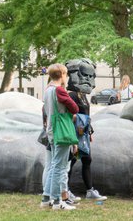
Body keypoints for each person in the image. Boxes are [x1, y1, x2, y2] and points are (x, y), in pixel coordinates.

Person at [65, 59, 107, 203]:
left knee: (86, 160)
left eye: (91, 76)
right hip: (75, 134)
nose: (88, 80)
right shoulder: (71, 95)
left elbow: (86, 116)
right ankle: (65, 190)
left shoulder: (82, 96)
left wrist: (89, 132)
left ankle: (89, 190)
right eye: (85, 76)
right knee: (70, 161)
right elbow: (69, 116)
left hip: (83, 134)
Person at [40, 63, 79, 210]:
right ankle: (57, 202)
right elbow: (74, 108)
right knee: (59, 167)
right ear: (62, 74)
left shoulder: (47, 90)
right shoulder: (59, 91)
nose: (67, 77)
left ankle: (46, 198)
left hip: (51, 129)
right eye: (66, 74)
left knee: (54, 166)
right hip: (60, 131)